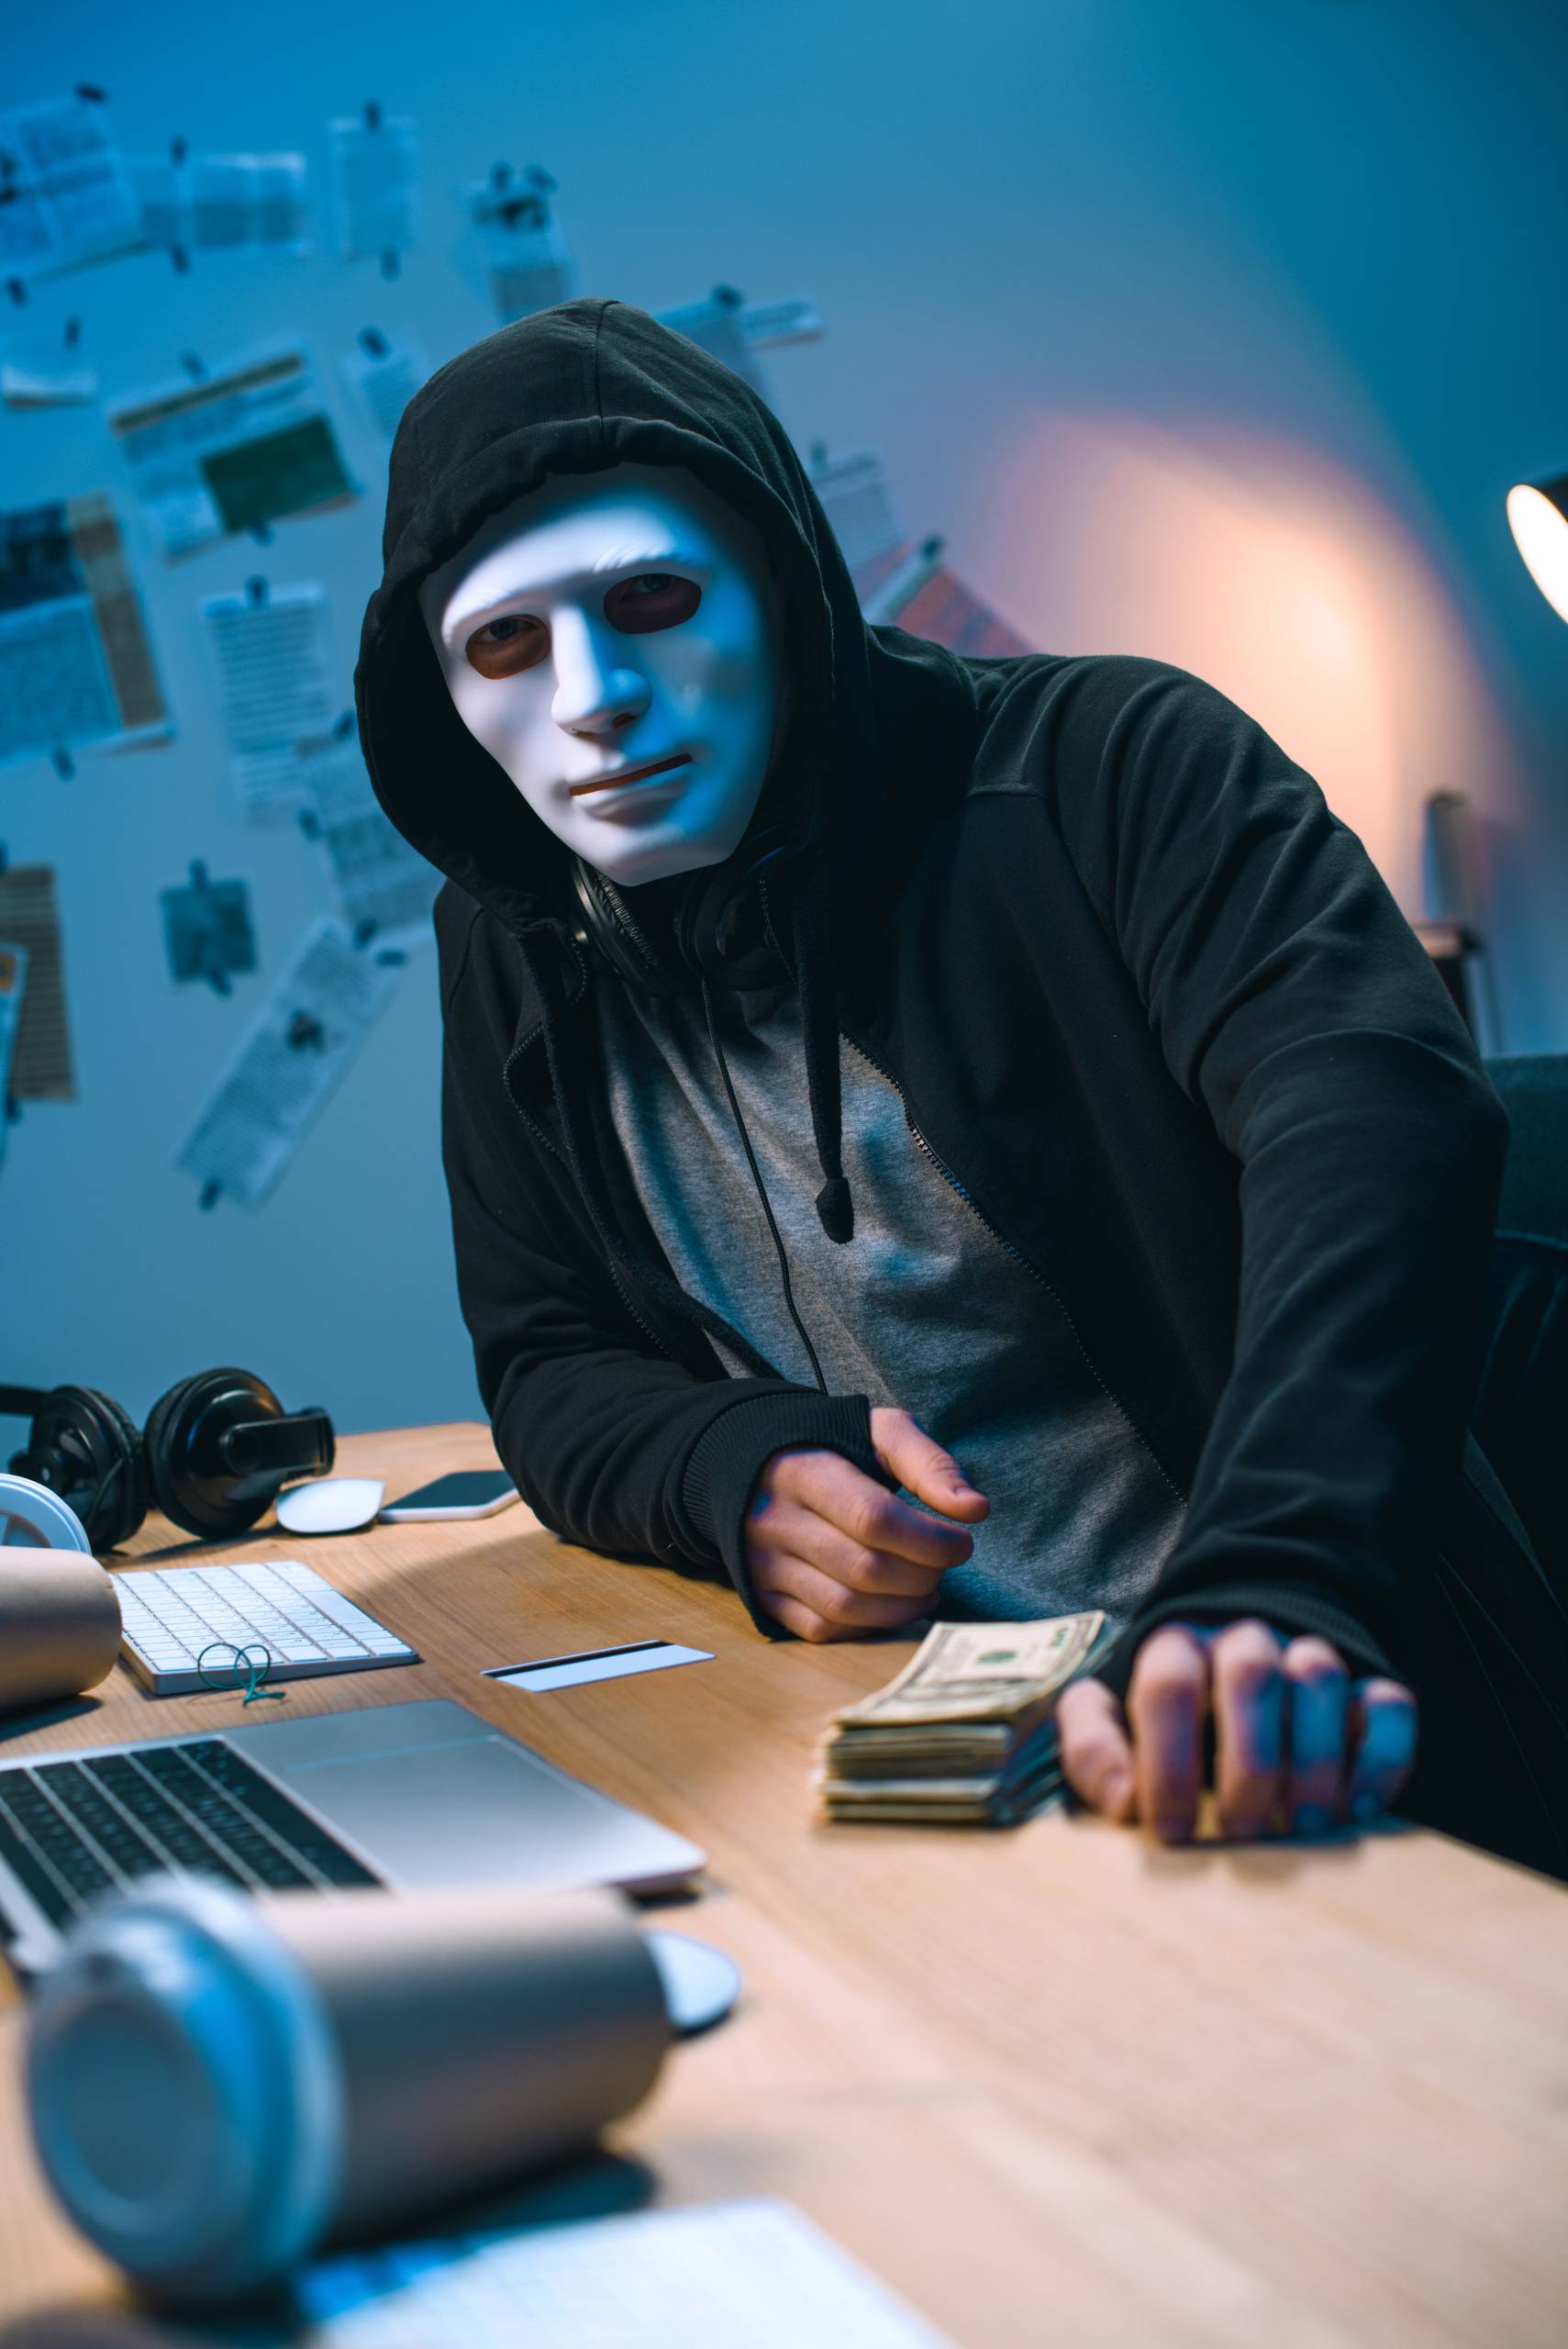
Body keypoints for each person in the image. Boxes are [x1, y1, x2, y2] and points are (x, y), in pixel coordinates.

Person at [355, 297, 1568, 1880]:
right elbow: (546, 1362)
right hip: (882, 1738)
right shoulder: (515, 935)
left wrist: (1275, 1576)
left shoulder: (1109, 764)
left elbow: (1375, 1116)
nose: (591, 696)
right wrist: (733, 1470)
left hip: (1275, 1720)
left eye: (650, 597)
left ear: (782, 589)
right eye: (503, 642)